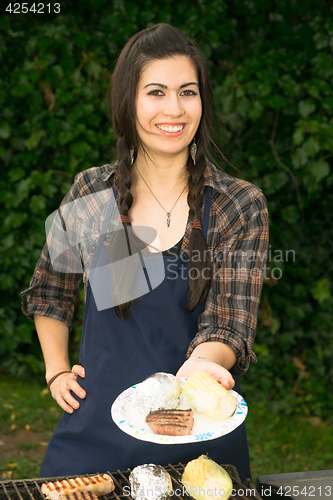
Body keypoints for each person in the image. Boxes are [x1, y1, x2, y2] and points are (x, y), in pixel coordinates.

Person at [21, 23, 268, 482]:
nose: (173, 109)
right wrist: (57, 371)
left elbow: (230, 323)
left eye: (187, 92)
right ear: (127, 101)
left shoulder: (238, 204)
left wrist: (200, 368)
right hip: (93, 436)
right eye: (156, 91)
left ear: (202, 102)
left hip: (197, 445)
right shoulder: (92, 191)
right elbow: (50, 291)